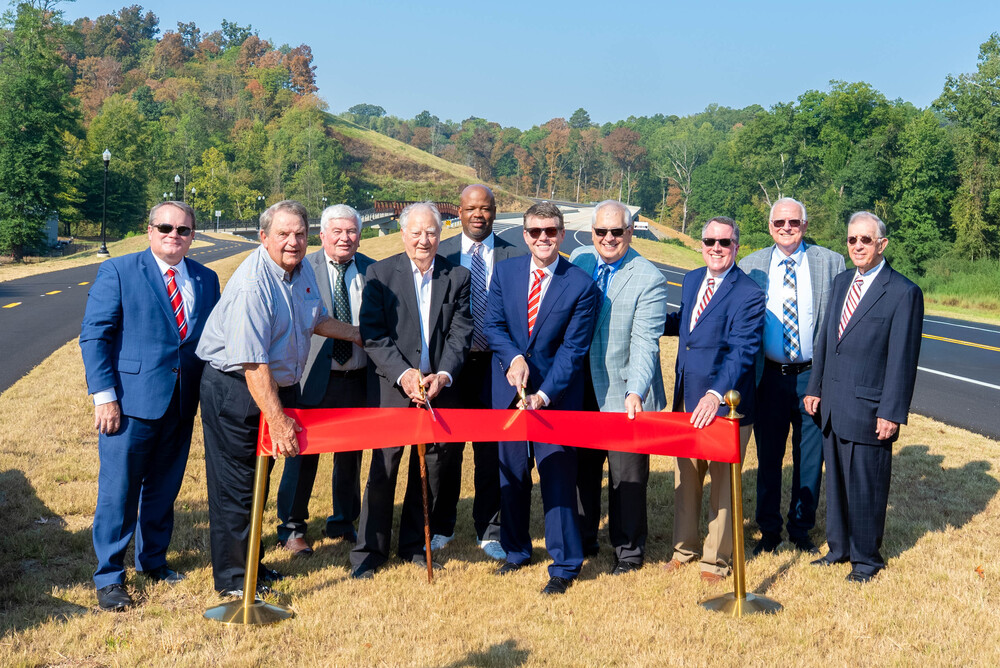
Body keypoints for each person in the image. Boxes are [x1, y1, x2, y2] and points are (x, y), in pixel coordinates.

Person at [196, 200, 360, 598]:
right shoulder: (254, 284)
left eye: (300, 234)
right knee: (236, 485)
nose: (293, 242)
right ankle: (235, 582)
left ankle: (251, 562)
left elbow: (316, 318)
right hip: (238, 389)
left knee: (258, 483)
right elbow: (252, 362)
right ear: (263, 238)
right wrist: (279, 418)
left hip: (275, 385)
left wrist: (359, 334)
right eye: (283, 234)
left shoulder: (299, 271)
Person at [80, 201, 220, 612]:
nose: (173, 235)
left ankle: (153, 561)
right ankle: (109, 576)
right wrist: (104, 397)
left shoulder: (207, 278)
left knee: (163, 488)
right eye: (165, 227)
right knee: (119, 493)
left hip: (181, 403)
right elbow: (95, 337)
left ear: (193, 235)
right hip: (129, 405)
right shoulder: (119, 272)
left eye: (183, 230)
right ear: (149, 230)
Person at [349, 202, 474, 579]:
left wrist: (444, 375)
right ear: (403, 234)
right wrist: (404, 375)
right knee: (384, 468)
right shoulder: (379, 273)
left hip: (438, 389)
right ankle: (369, 552)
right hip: (394, 387)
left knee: (433, 468)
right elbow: (373, 334)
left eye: (432, 232)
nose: (424, 240)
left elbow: (460, 334)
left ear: (441, 234)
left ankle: (414, 544)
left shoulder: (459, 277)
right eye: (416, 232)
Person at [485, 201, 600, 595]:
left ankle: (565, 564)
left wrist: (546, 394)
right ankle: (516, 551)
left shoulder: (581, 284)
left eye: (550, 231)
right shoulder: (504, 272)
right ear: (525, 235)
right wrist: (513, 358)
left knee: (557, 480)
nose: (543, 238)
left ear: (562, 234)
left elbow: (573, 350)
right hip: (509, 396)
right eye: (535, 232)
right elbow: (493, 324)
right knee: (512, 477)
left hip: (558, 400)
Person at [805, 211, 923, 583]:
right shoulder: (841, 282)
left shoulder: (903, 292)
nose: (858, 246)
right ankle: (839, 549)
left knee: (866, 487)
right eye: (852, 240)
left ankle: (866, 560)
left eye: (866, 240)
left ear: (882, 244)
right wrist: (814, 387)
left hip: (871, 408)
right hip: (834, 405)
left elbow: (903, 360)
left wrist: (891, 411)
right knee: (837, 485)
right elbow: (826, 341)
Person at [738, 198, 845, 556]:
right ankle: (768, 531)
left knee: (810, 457)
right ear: (770, 226)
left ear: (805, 224)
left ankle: (801, 529)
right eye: (779, 222)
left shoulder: (830, 262)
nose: (787, 227)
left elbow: (836, 327)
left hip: (810, 376)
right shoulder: (751, 264)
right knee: (768, 456)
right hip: (767, 376)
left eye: (794, 222)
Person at [662, 216, 765, 583]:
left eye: (724, 242)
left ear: (736, 246)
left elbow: (742, 351)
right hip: (687, 401)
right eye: (709, 241)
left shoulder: (748, 293)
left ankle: (716, 562)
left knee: (723, 487)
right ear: (701, 244)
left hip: (726, 407)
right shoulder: (692, 279)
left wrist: (713, 394)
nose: (716, 248)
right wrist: (648, 320)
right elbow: (687, 323)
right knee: (686, 479)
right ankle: (683, 549)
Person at [569, 200, 667, 574]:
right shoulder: (578, 259)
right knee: (582, 469)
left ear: (631, 231)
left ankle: (628, 551)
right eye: (601, 232)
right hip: (581, 387)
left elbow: (646, 342)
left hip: (624, 388)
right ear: (591, 232)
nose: (608, 238)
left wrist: (636, 391)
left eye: (617, 231)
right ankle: (582, 538)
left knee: (626, 475)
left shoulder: (649, 277)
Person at [275, 204, 375, 555]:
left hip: (358, 378)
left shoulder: (373, 270)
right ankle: (291, 527)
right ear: (323, 235)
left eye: (352, 231)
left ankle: (343, 521)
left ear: (360, 236)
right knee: (302, 455)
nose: (345, 238)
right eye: (338, 231)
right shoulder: (303, 269)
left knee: (350, 454)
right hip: (313, 379)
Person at [435, 184, 526, 561]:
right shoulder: (440, 254)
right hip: (450, 366)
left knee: (492, 451)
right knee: (445, 449)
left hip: (496, 366)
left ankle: (490, 529)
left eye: (486, 208)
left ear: (495, 211)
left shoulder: (516, 256)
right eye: (471, 208)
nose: (478, 215)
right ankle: (441, 524)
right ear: (458, 211)